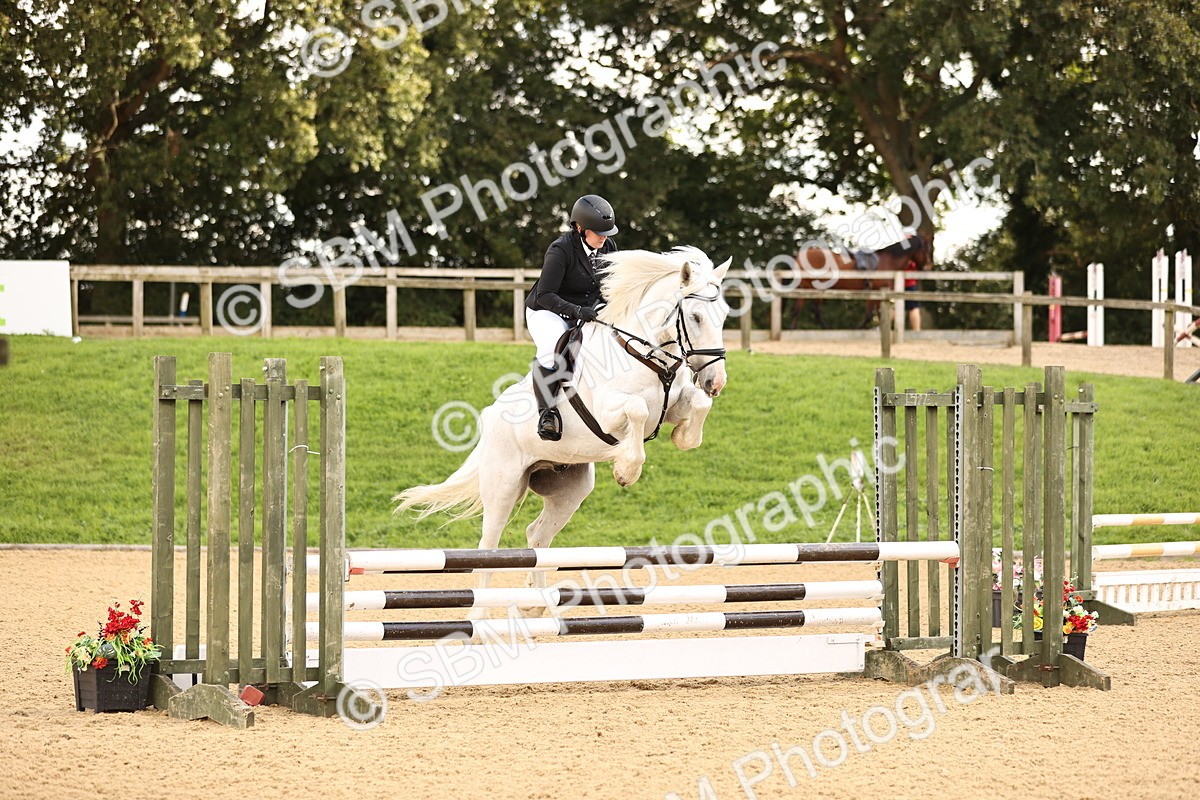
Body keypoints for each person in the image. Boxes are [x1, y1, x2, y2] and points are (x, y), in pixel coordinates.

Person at [524, 194, 619, 441]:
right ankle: (546, 414)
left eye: (606, 232)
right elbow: (545, 295)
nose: (604, 237)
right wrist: (576, 311)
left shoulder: (607, 247)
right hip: (546, 310)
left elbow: (608, 286)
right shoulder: (561, 250)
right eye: (598, 232)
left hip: (585, 309)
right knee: (553, 346)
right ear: (579, 227)